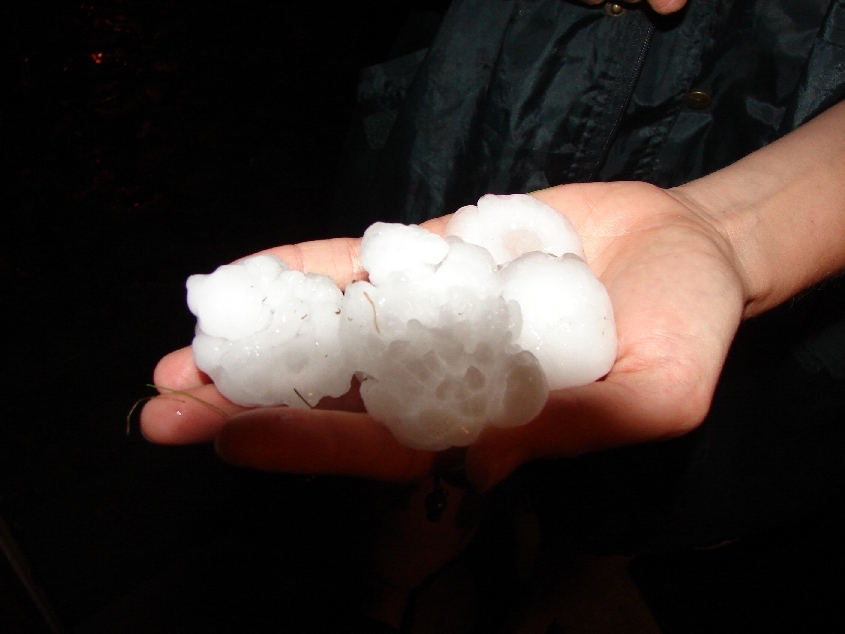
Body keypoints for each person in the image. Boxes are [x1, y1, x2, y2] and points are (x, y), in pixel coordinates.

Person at [141, 0, 845, 627]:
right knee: (422, 485)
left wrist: (727, 233)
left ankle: (562, 587)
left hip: (764, 106)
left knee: (636, 487)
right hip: (507, 86)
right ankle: (396, 583)